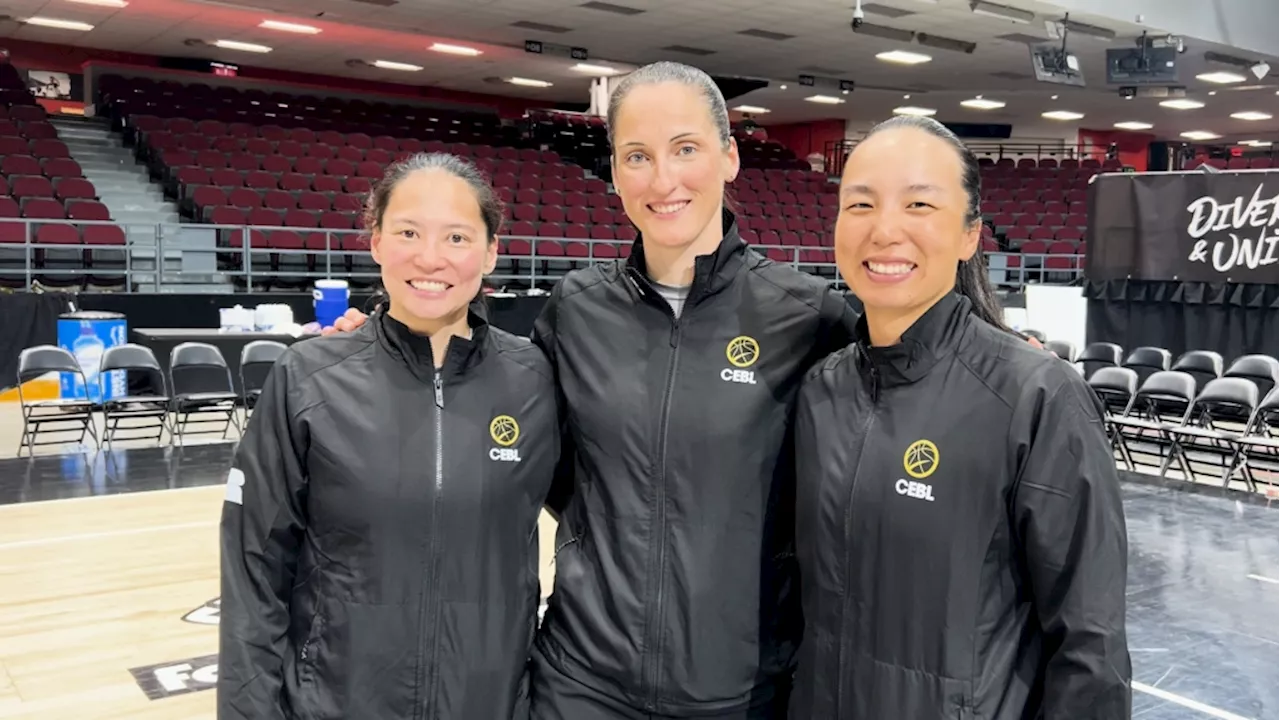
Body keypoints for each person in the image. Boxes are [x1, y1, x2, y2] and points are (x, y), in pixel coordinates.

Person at [327, 61, 859, 718]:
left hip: (739, 692)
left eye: (685, 149)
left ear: (728, 157)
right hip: (580, 684)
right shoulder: (575, 308)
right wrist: (382, 348)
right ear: (613, 171)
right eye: (637, 155)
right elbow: (506, 424)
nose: (662, 179)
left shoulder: (812, 320)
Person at [788, 116, 1132, 719]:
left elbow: (1090, 646)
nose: (884, 229)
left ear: (971, 234)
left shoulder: (1036, 397)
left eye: (919, 203)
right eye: (860, 204)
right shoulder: (821, 390)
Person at [217, 153, 559, 719]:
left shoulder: (536, 379)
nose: (430, 257)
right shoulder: (308, 377)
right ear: (375, 242)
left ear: (491, 251)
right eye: (408, 232)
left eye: (456, 236)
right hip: (337, 702)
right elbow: (254, 568)